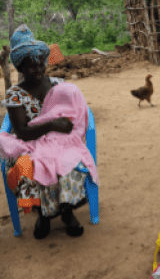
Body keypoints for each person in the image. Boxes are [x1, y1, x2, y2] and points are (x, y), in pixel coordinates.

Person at [0, 24, 99, 239]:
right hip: (29, 144)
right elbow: (23, 133)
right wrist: (52, 125)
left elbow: (74, 114)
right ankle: (43, 215)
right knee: (30, 165)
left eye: (40, 64)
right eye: (30, 67)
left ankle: (67, 211)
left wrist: (65, 130)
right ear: (20, 68)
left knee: (69, 161)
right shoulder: (15, 95)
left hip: (61, 140)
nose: (38, 70)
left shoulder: (57, 85)